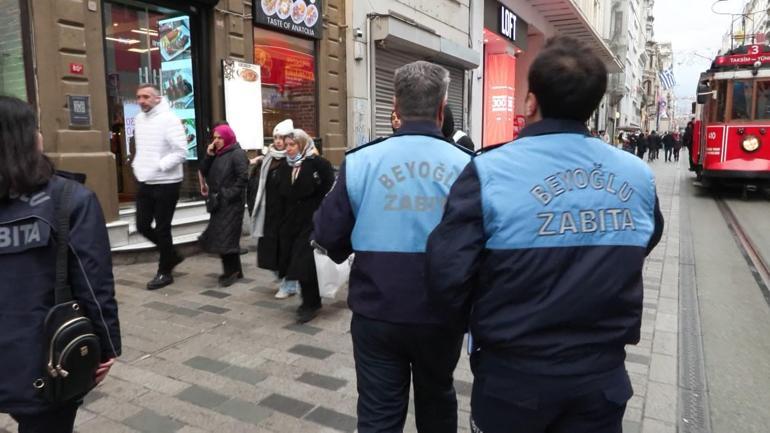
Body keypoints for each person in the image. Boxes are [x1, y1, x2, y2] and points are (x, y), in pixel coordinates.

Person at [426, 36, 664, 433]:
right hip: (600, 380)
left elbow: (447, 275)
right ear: (593, 105)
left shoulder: (490, 171)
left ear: (530, 102)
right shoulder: (637, 175)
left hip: (513, 379)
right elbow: (646, 239)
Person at [313, 60, 473, 433]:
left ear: (396, 109)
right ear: (442, 107)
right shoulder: (468, 165)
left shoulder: (361, 161)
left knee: (378, 412)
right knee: (437, 399)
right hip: (442, 314)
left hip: (378, 311)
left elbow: (327, 235)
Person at [0, 96, 121, 433]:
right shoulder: (69, 199)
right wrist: (106, 346)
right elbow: (93, 282)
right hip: (44, 361)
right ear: (25, 139)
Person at [132, 83, 188, 290]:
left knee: (163, 228)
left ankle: (165, 271)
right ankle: (171, 254)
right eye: (138, 97)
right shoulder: (139, 119)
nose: (141, 101)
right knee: (142, 225)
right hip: (145, 180)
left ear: (157, 98)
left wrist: (159, 166)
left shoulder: (169, 119)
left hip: (167, 183)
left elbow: (181, 151)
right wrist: (139, 165)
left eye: (146, 97)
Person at [278, 129, 335, 322]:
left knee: (304, 262)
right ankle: (310, 299)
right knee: (296, 261)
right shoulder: (285, 166)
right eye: (286, 145)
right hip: (291, 221)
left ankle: (310, 303)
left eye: (292, 145)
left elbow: (329, 187)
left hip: (312, 220)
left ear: (302, 145)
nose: (288, 149)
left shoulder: (317, 164)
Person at [250, 119, 299, 299]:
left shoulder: (294, 159)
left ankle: (289, 283)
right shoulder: (269, 158)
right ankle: (286, 278)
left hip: (286, 212)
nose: (278, 141)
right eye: (276, 137)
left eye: (282, 137)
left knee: (286, 249)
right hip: (269, 211)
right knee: (270, 250)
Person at [198, 124, 249, 287]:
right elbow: (203, 171)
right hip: (218, 203)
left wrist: (228, 194)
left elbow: (243, 178)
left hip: (231, 203)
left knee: (226, 238)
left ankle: (231, 272)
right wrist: (208, 155)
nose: (217, 141)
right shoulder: (217, 154)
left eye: (220, 137)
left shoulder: (237, 153)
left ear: (227, 137)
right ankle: (236, 270)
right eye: (214, 137)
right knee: (223, 237)